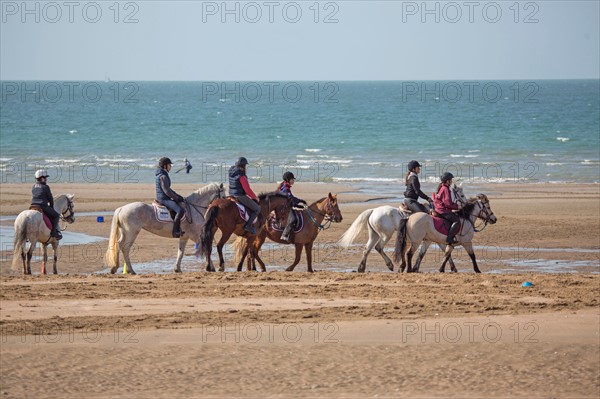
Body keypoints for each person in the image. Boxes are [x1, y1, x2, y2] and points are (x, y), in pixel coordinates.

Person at [155, 157, 186, 238]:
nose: (170, 167)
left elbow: (168, 189)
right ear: (165, 166)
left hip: (163, 196)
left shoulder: (162, 174)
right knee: (180, 211)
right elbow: (166, 191)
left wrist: (176, 195)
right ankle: (175, 231)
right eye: (169, 165)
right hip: (163, 198)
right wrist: (176, 198)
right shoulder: (163, 176)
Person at [228, 157, 260, 234]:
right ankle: (248, 226)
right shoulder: (241, 175)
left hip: (231, 194)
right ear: (243, 166)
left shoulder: (232, 172)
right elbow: (247, 190)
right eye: (245, 166)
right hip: (239, 196)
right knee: (257, 209)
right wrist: (255, 197)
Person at [31, 169, 62, 239]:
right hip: (42, 206)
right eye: (45, 178)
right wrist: (51, 207)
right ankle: (54, 232)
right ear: (42, 178)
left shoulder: (33, 186)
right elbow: (50, 199)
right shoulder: (46, 187)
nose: (46, 179)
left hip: (32, 205)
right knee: (56, 216)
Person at [277, 171, 307, 242]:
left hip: (287, 206)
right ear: (287, 180)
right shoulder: (285, 189)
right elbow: (291, 199)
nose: (293, 181)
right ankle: (284, 234)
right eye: (292, 179)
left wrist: (299, 206)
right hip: (284, 208)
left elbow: (291, 200)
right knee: (293, 219)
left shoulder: (286, 187)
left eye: (293, 180)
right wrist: (301, 201)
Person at [433, 172, 460, 244]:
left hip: (438, 208)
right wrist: (457, 206)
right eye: (450, 180)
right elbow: (448, 203)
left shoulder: (441, 187)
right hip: (442, 210)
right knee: (457, 220)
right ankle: (449, 238)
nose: (451, 182)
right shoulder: (446, 189)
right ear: (447, 181)